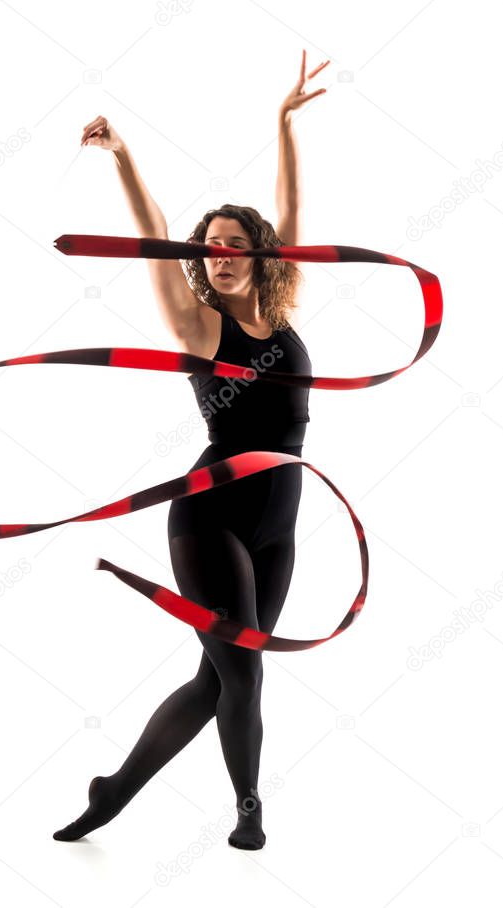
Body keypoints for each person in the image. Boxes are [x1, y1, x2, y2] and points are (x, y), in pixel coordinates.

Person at [53, 50, 330, 851]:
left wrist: (281, 124)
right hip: (210, 515)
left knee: (218, 679)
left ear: (258, 252)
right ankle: (249, 809)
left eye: (235, 242)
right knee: (243, 669)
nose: (221, 253)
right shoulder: (199, 327)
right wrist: (124, 159)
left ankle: (113, 791)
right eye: (210, 244)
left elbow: (294, 206)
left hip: (279, 516)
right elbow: (151, 241)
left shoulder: (281, 312)